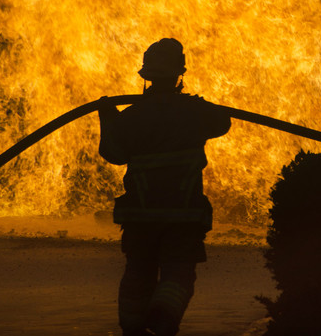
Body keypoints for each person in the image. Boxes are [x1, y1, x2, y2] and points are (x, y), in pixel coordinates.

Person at [97, 38, 231, 336]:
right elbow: (223, 123)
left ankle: (132, 327)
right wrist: (196, 103)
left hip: (141, 215)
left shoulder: (132, 116)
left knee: (138, 272)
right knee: (178, 271)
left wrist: (107, 116)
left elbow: (113, 154)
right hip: (182, 215)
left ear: (146, 77)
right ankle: (162, 317)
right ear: (179, 75)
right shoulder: (195, 112)